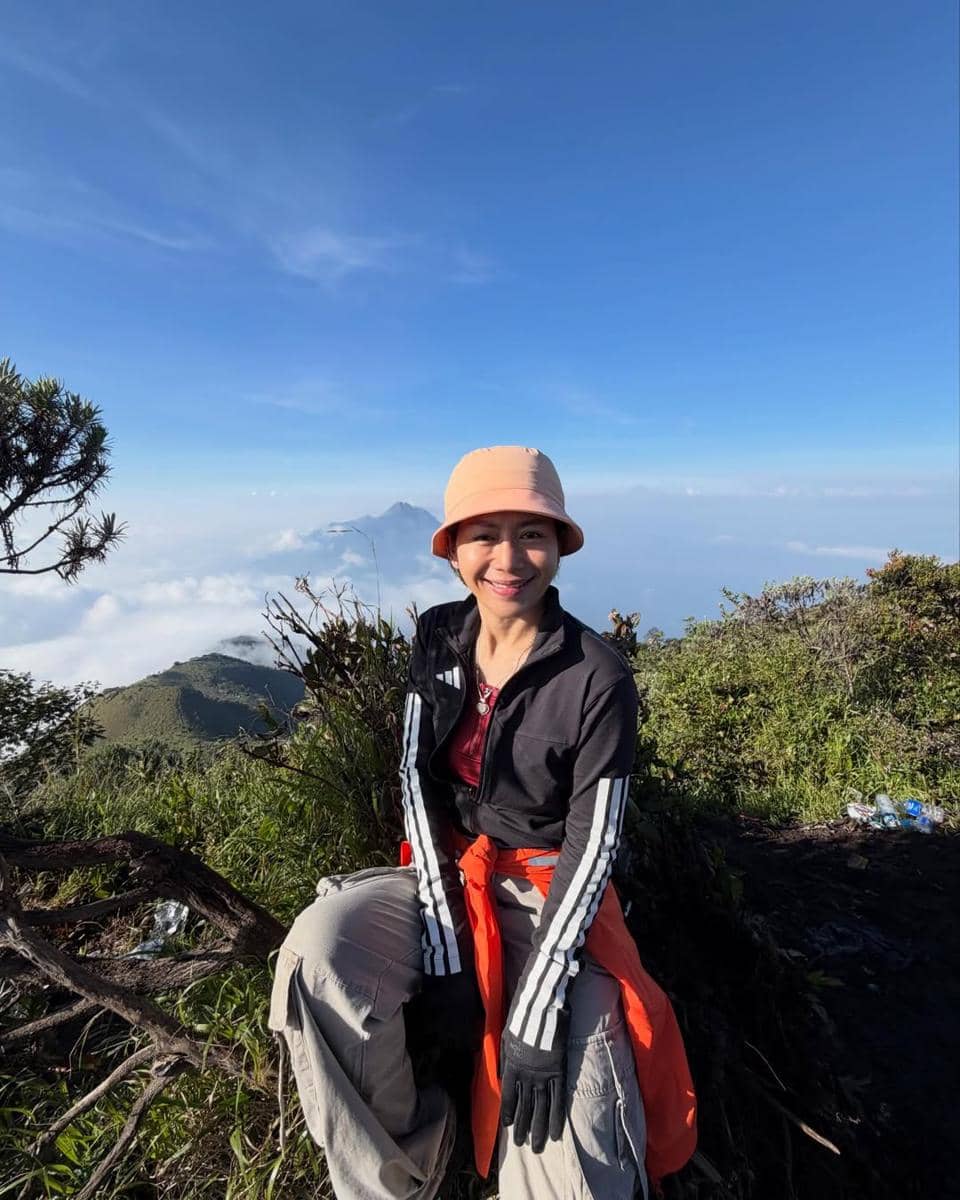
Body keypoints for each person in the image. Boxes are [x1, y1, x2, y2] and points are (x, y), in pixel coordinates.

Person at [268, 446, 696, 1200]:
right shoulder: (438, 637)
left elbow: (592, 848)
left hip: (550, 895)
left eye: (532, 532)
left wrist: (534, 1016)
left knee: (575, 1110)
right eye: (483, 534)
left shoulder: (597, 677)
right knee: (317, 952)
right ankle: (405, 1172)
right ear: (454, 551)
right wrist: (443, 944)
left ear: (560, 544)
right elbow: (413, 779)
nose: (508, 558)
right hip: (448, 871)